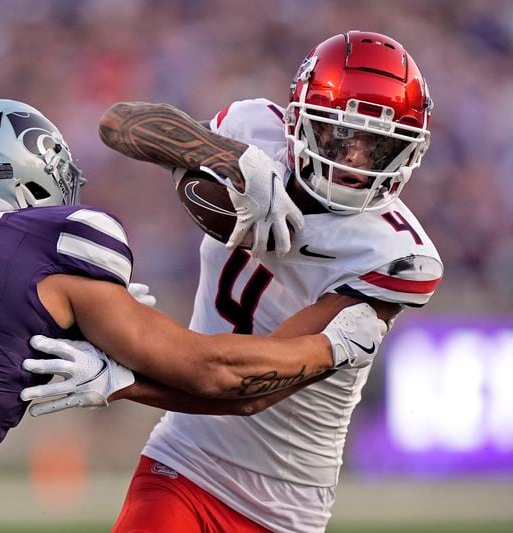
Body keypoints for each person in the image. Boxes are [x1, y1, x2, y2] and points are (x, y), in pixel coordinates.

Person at [0, 98, 386, 532]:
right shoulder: (55, 237)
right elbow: (211, 372)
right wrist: (328, 349)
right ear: (21, 168)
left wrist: (105, 355)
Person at [34, 31, 443, 532]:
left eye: (377, 146)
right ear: (299, 120)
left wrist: (124, 380)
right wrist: (229, 156)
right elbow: (117, 122)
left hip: (286, 504)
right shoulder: (255, 130)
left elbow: (249, 390)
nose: (354, 159)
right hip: (186, 460)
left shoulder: (399, 254)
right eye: (341, 135)